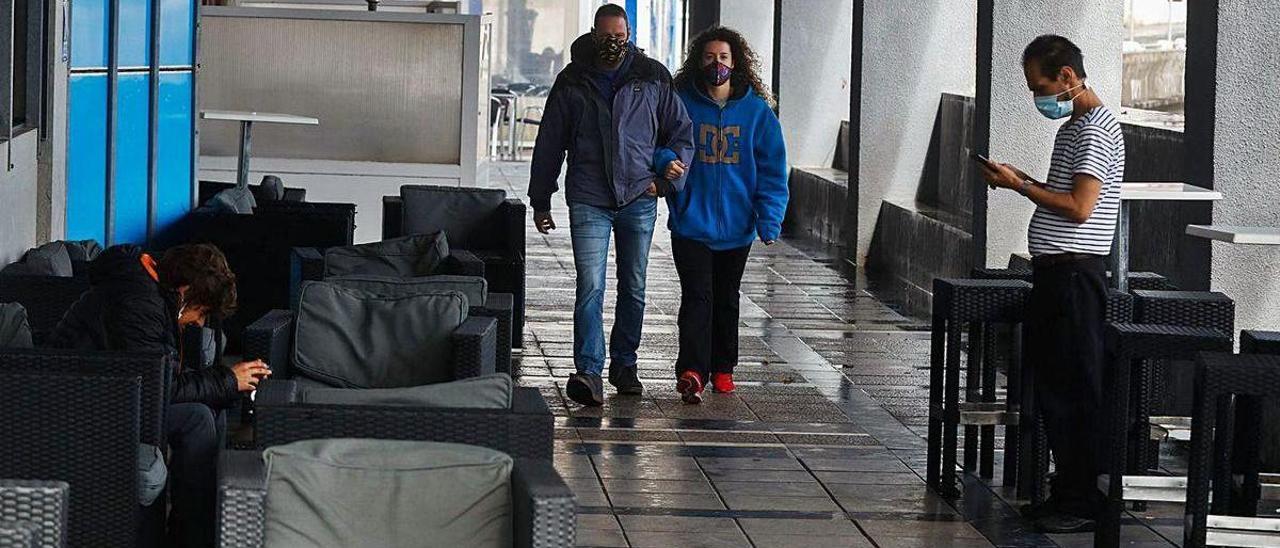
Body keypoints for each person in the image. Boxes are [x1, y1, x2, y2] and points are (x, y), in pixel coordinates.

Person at [980, 35, 1125, 534]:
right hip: (1054, 273)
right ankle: (1065, 492)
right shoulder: (1073, 128)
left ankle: (1083, 501)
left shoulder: (1095, 131)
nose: (1037, 96)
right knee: (1054, 387)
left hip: (1074, 276)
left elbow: (1081, 208)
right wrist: (1023, 179)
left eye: (1039, 85)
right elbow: (1062, 195)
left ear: (1067, 76)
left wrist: (1019, 186)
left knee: (1076, 388)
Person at [47, 243, 271, 547]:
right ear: (185, 290)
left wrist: (227, 384)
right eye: (201, 311)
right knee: (197, 419)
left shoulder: (150, 292)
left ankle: (201, 525)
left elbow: (161, 376)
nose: (199, 322)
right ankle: (191, 537)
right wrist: (228, 381)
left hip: (114, 392)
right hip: (79, 402)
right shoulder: (139, 302)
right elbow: (160, 386)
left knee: (209, 409)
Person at [529, 4, 694, 407]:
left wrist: (665, 184)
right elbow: (550, 141)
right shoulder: (572, 80)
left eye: (619, 37)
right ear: (593, 33)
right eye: (605, 37)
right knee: (591, 286)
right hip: (589, 197)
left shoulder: (652, 76)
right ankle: (588, 371)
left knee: (634, 287)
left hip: (639, 196)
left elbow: (681, 133)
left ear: (630, 34)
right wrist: (541, 198)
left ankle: (625, 365)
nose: (613, 44)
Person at [656, 27, 787, 404]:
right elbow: (658, 141)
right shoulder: (680, 103)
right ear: (699, 61)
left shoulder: (757, 113)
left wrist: (769, 218)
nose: (718, 64)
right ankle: (692, 370)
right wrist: (666, 162)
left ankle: (724, 369)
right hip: (690, 225)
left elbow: (773, 171)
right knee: (697, 297)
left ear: (737, 62)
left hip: (737, 227)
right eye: (711, 57)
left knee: (727, 298)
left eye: (725, 58)